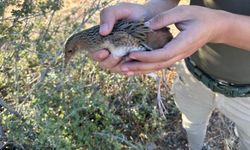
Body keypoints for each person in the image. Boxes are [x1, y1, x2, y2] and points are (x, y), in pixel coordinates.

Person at [90, 0, 250, 149]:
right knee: (192, 124)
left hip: (246, 94)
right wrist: (150, 10)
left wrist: (220, 28)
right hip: (192, 74)